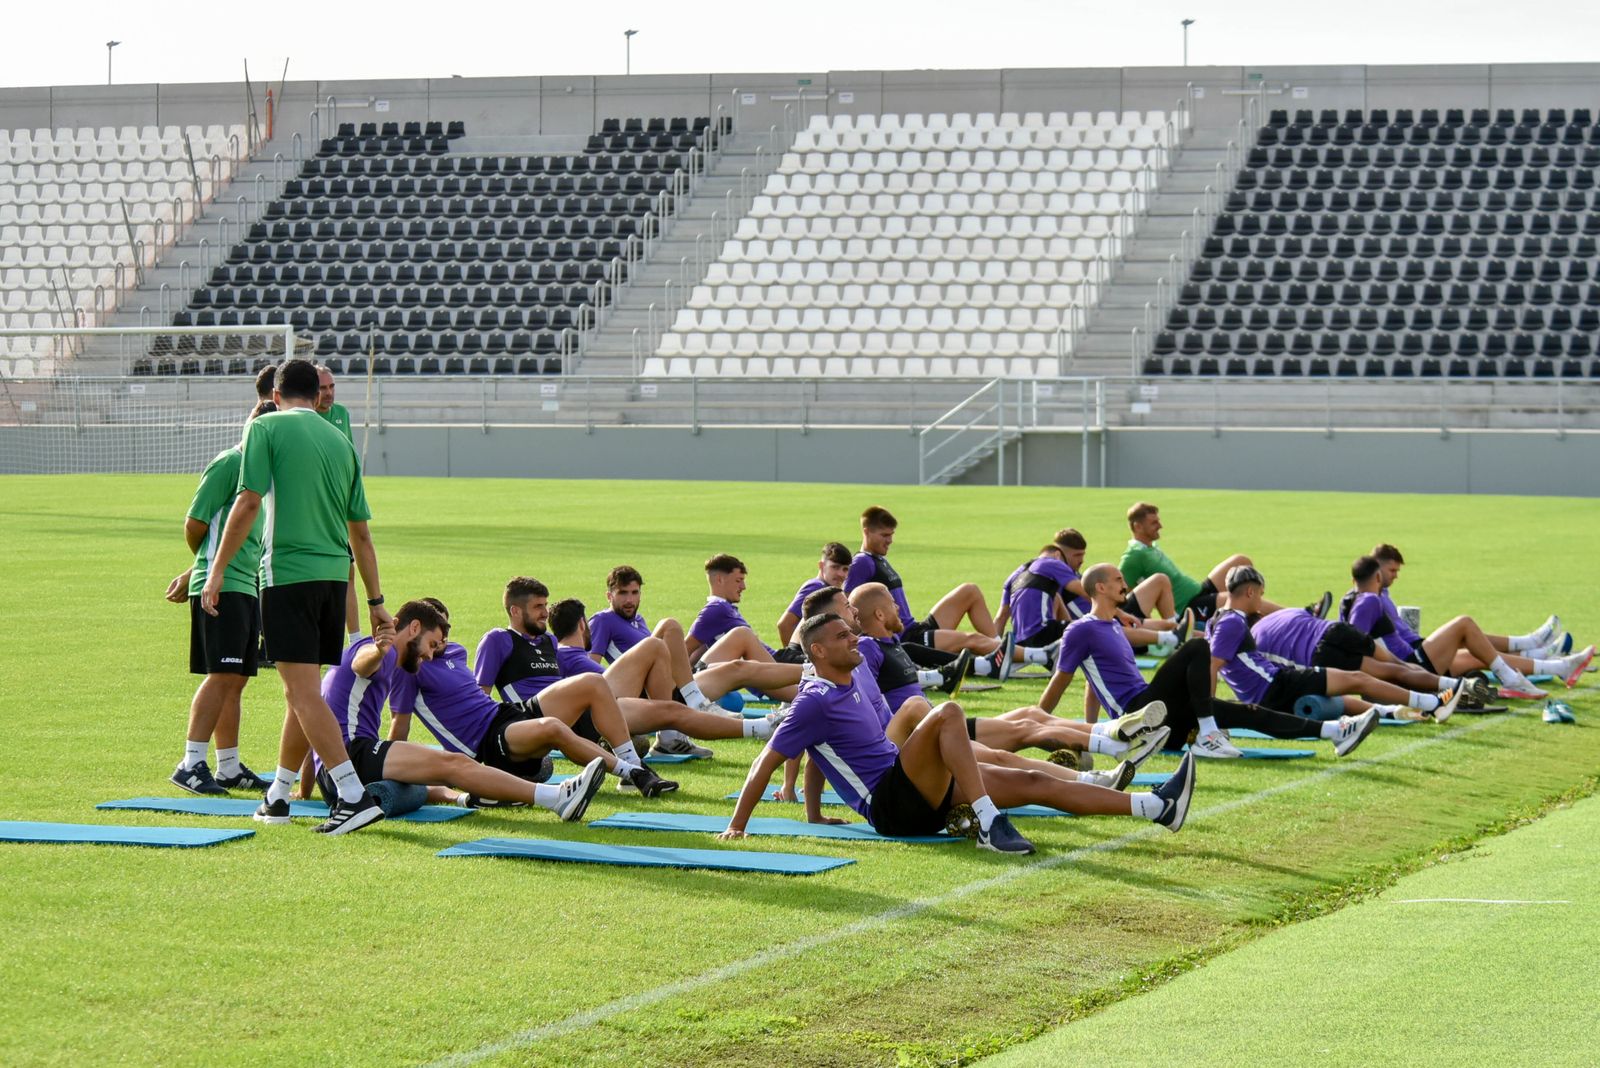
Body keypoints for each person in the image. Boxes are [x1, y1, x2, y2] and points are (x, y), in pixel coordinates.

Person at [719, 612, 1199, 855]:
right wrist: (738, 825)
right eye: (843, 636)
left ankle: (1156, 807)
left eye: (852, 631)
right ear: (819, 651)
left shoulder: (854, 674)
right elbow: (773, 757)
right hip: (893, 805)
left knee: (1038, 784)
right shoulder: (813, 699)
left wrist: (815, 813)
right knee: (945, 712)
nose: (854, 638)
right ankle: (987, 822)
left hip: (914, 787)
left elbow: (822, 757)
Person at [200, 357, 390, 835]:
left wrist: (215, 570)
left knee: (301, 693)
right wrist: (375, 600)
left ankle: (352, 795)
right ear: (317, 393)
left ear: (276, 397)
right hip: (333, 579)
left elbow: (247, 502)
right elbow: (362, 535)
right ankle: (279, 794)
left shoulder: (268, 429)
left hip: (287, 574)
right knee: (300, 694)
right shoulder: (342, 442)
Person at [1040, 563, 1380, 760]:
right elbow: (1062, 679)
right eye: (1117, 580)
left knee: (1245, 711)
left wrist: (1092, 733)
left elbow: (1092, 685)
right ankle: (1207, 733)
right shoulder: (1079, 630)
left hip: (1157, 719)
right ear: (1100, 588)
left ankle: (1334, 731)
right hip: (1137, 716)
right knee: (1198, 648)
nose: (1125, 584)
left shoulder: (1112, 624)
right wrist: (1038, 725)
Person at [311, 598, 606, 820]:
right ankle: (556, 798)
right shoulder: (379, 653)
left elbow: (307, 715)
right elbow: (362, 664)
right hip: (350, 758)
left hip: (340, 766)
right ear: (413, 628)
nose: (430, 654)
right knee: (453, 764)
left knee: (440, 771)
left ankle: (473, 797)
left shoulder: (362, 651)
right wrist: (378, 651)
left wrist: (298, 788)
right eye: (431, 643)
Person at [846, 583, 1163, 781]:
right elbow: (863, 701)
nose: (899, 606)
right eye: (891, 602)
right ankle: (1111, 754)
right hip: (927, 737)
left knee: (1033, 715)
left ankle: (1117, 734)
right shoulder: (869, 647)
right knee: (1023, 732)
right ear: (878, 613)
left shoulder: (891, 644)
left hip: (941, 725)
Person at [392, 597, 678, 797]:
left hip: (506, 714)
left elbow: (478, 698)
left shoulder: (455, 652)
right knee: (554, 727)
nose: (441, 641)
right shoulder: (411, 669)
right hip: (489, 744)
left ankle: (636, 763)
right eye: (435, 636)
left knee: (593, 682)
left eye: (445, 631)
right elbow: (400, 724)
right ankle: (634, 775)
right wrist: (391, 765)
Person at [162, 403, 272, 795]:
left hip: (247, 585)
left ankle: (228, 765)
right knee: (221, 674)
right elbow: (196, 523)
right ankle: (190, 763)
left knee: (237, 679)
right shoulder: (230, 463)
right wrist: (204, 567)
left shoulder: (265, 475)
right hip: (222, 586)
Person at [1210, 567, 1463, 723]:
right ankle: (1437, 699)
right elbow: (1212, 666)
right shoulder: (1234, 623)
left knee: (1349, 688)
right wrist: (1209, 716)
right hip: (1280, 683)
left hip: (1278, 684)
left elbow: (1216, 662)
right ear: (1251, 592)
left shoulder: (1217, 621)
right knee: (1374, 674)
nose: (1262, 602)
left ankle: (1402, 710)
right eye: (1262, 594)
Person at [1344, 552, 1590, 700]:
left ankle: (1559, 666)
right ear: (1377, 577)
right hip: (1412, 664)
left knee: (1478, 655)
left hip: (1411, 661)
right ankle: (1523, 660)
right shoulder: (1369, 601)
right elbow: (1358, 644)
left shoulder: (1352, 601)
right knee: (1464, 624)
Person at [548, 598, 791, 747]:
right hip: (642, 698)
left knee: (739, 664)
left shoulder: (634, 622)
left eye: (635, 592)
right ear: (582, 624)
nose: (631, 599)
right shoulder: (570, 654)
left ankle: (809, 682)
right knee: (667, 630)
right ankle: (764, 723)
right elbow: (601, 683)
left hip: (670, 685)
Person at [1118, 501, 1329, 623]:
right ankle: (1303, 616)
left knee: (1241, 561)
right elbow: (1120, 593)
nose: (1160, 526)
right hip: (1191, 607)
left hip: (1198, 592)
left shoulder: (1148, 548)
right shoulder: (1134, 556)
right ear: (1137, 527)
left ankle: (1253, 618)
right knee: (1234, 597)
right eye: (1154, 523)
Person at [844, 506, 1004, 664]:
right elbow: (848, 607)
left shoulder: (878, 559)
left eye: (891, 535)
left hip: (915, 628)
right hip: (908, 638)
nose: (890, 540)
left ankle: (999, 647)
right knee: (972, 639)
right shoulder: (861, 562)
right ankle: (1017, 654)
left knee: (969, 591)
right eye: (884, 535)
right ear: (866, 532)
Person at [687, 554, 808, 674]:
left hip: (776, 660)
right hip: (775, 665)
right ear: (720, 579)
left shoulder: (724, 609)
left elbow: (700, 648)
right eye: (738, 581)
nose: (743, 587)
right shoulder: (716, 609)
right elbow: (685, 648)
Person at [313, 363, 363, 645]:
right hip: (312, 511)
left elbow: (350, 460)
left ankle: (355, 639)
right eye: (322, 387)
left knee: (347, 572)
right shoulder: (304, 419)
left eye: (332, 386)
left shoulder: (341, 414)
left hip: (337, 512)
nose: (329, 393)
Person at [775, 542, 853, 646]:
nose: (841, 574)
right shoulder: (816, 588)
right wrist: (793, 654)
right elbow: (785, 624)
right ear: (821, 566)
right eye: (835, 567)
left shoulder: (827, 588)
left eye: (845, 569)